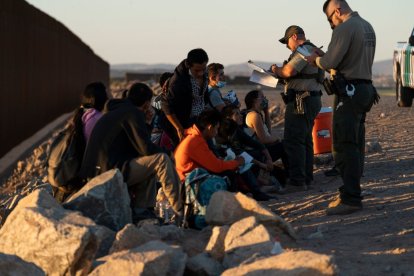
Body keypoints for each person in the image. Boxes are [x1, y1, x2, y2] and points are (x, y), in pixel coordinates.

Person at [306, 0, 378, 215]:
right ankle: (350, 192)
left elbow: (330, 62)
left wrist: (315, 60)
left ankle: (350, 198)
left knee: (343, 145)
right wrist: (326, 58)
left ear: (337, 11)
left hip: (349, 92)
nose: (331, 23)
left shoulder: (345, 27)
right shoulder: (367, 26)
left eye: (330, 18)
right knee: (355, 143)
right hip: (365, 89)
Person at [80, 83, 183, 222]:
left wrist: (147, 123)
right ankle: (180, 211)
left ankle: (142, 211)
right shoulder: (132, 113)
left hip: (97, 169)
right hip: (109, 171)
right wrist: (169, 153)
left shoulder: (117, 111)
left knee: (151, 162)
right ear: (147, 104)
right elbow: (145, 149)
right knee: (161, 159)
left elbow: (139, 148)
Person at [270, 25, 322, 190]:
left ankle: (297, 181)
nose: (287, 47)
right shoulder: (313, 50)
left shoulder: (304, 50)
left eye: (287, 43)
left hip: (301, 100)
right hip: (311, 99)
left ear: (293, 37)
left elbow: (289, 71)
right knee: (305, 139)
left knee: (293, 140)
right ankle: (306, 178)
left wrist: (276, 70)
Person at [174, 109, 245, 184]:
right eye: (217, 128)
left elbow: (212, 162)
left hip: (187, 176)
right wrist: (237, 162)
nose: (217, 132)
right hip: (189, 182)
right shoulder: (196, 141)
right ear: (210, 127)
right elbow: (217, 167)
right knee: (229, 173)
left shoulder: (193, 136)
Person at [161, 48, 209, 146]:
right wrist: (179, 128)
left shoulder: (204, 73)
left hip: (198, 119)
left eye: (203, 69)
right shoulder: (178, 82)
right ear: (188, 65)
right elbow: (166, 105)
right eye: (197, 70)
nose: (201, 73)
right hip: (180, 121)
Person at [244, 90, 288, 171]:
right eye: (262, 97)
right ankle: (291, 174)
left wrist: (266, 112)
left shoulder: (257, 114)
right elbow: (263, 139)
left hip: (262, 150)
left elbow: (268, 133)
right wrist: (277, 138)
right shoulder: (253, 116)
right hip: (258, 154)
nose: (265, 99)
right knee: (284, 145)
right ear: (254, 101)